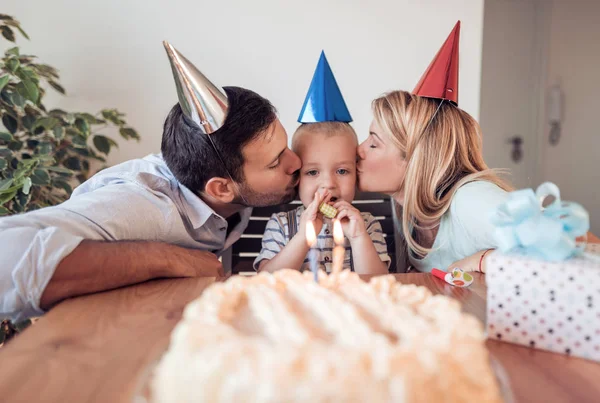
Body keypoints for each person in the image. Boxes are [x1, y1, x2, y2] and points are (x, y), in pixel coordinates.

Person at [0, 42, 301, 321]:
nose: (296, 162)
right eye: (276, 162)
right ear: (220, 188)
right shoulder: (142, 204)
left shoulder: (230, 183)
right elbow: (6, 256)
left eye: (285, 148)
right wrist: (169, 258)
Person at [356, 22, 511, 273]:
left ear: (416, 157)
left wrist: (481, 260)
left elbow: (560, 245)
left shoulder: (471, 200)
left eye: (373, 143)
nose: (358, 150)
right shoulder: (407, 207)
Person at [256, 52, 389, 275]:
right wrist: (303, 237)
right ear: (297, 178)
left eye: (342, 170)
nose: (327, 183)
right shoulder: (281, 225)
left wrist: (358, 238)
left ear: (356, 174)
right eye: (313, 172)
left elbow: (379, 285)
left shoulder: (366, 225)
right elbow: (265, 281)